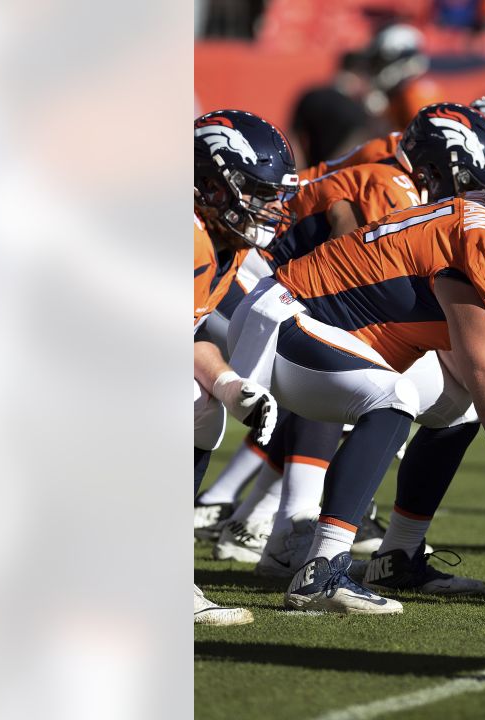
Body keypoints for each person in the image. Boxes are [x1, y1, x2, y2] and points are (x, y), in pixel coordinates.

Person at [225, 139, 485, 614]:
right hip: (286, 321)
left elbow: (484, 396)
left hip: (316, 327)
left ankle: (399, 555)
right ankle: (321, 572)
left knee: (464, 406)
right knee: (394, 398)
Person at [192, 108, 299, 625]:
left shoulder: (222, 244)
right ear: (211, 183)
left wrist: (229, 383)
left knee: (203, 404)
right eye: (254, 192)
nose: (266, 207)